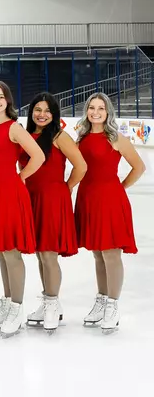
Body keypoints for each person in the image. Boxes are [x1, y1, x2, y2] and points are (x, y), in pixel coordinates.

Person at [0, 81, 44, 338]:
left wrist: (21, 177)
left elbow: (38, 156)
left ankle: (17, 306)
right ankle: (7, 302)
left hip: (9, 193)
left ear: (8, 100)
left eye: (1, 97)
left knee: (12, 252)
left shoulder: (14, 127)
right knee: (0, 252)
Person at [74, 92, 145, 334]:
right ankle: (102, 299)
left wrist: (120, 188)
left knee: (111, 254)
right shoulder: (81, 138)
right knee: (97, 254)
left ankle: (113, 305)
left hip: (109, 200)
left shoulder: (115, 138)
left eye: (100, 108)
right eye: (91, 107)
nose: (95, 112)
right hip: (87, 198)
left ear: (108, 112)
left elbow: (139, 166)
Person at [19, 92, 86, 334]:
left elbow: (81, 166)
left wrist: (65, 188)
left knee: (49, 255)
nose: (42, 114)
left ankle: (52, 303)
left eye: (47, 110)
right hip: (32, 199)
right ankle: (48, 301)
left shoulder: (59, 136)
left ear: (54, 114)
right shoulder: (26, 136)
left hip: (53, 200)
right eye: (38, 109)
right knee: (40, 254)